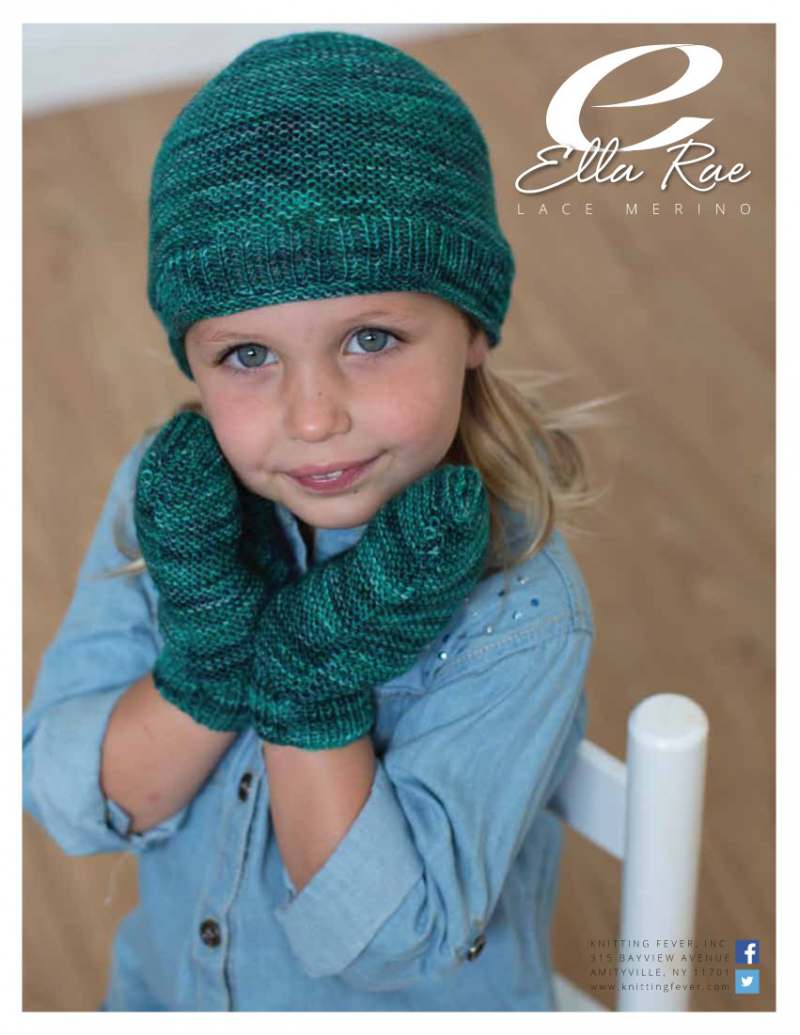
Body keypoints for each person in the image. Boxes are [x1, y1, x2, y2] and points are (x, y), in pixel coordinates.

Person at [23, 30, 614, 1011]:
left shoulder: (521, 607)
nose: (310, 418)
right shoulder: (167, 500)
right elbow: (67, 797)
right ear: (193, 357)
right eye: (248, 356)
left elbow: (390, 947)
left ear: (472, 325)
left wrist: (310, 678)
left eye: (370, 338)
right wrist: (212, 656)